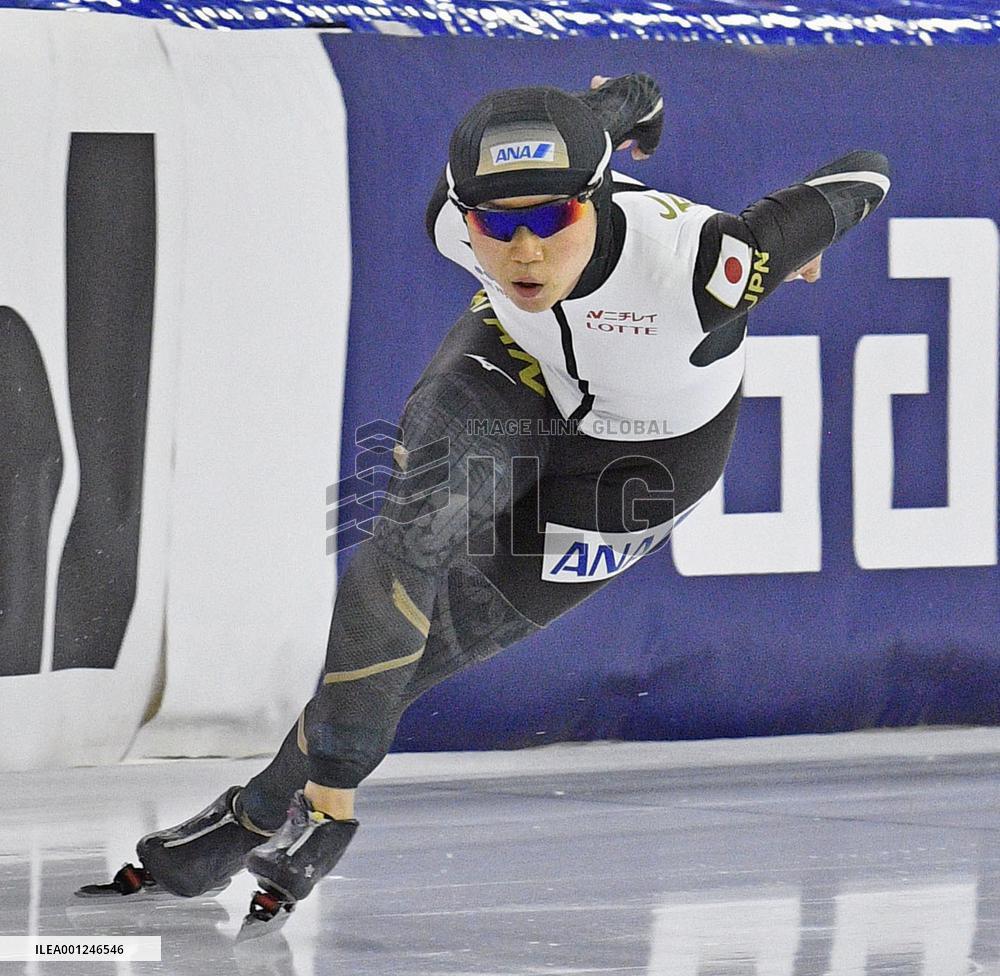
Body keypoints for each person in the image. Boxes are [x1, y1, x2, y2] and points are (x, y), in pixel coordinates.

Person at [79, 74, 889, 930]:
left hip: (647, 457)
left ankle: (256, 809)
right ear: (466, 215)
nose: (524, 253)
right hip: (517, 369)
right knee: (407, 542)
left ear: (598, 194)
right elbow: (590, 130)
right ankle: (329, 809)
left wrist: (793, 231)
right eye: (496, 226)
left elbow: (867, 172)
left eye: (552, 221)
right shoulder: (450, 218)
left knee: (427, 653)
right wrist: (626, 108)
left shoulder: (711, 267)